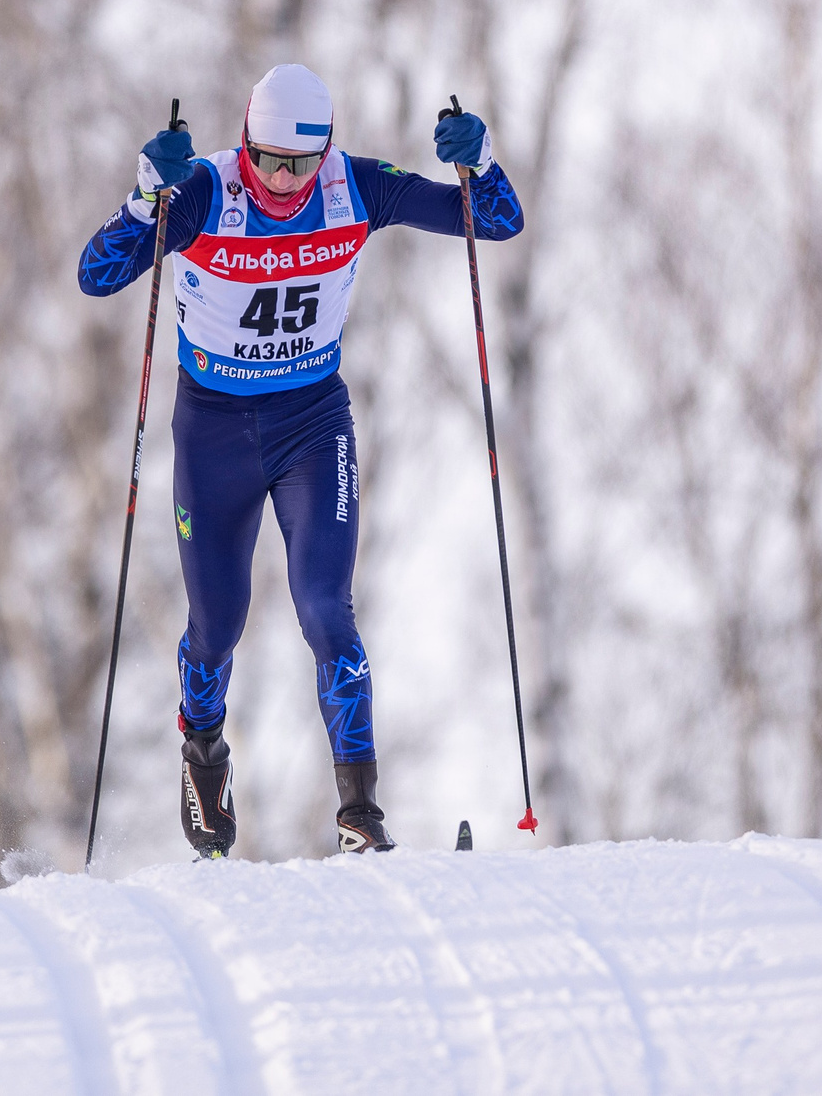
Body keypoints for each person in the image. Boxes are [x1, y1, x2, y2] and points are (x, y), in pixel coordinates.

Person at [78, 64, 522, 856]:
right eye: (268, 159)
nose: (283, 180)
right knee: (216, 626)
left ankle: (360, 813)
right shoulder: (206, 193)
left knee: (326, 608)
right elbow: (97, 274)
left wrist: (480, 162)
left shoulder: (356, 187)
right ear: (244, 138)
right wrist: (146, 198)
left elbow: (493, 222)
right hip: (213, 432)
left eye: (300, 163)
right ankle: (204, 757)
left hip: (313, 424)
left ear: (326, 150)